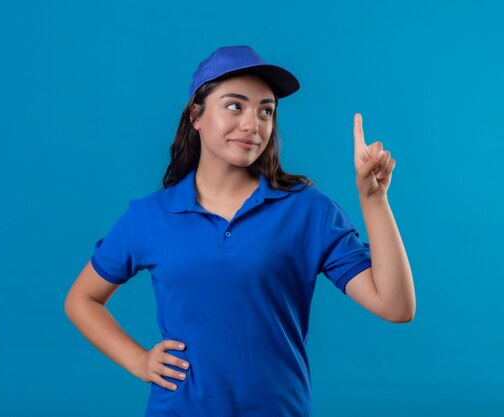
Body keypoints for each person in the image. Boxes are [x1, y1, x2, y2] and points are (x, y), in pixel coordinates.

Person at [64, 45, 415, 417]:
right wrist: (138, 361)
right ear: (195, 116)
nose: (253, 124)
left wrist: (374, 200)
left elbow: (396, 306)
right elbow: (82, 299)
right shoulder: (151, 216)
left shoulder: (307, 210)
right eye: (235, 106)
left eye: (266, 110)